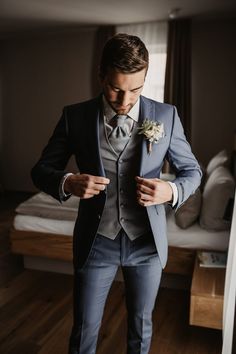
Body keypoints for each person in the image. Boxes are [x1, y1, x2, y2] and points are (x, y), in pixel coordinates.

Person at [31, 33, 202, 354]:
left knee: (141, 327)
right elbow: (40, 170)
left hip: (146, 245)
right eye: (115, 88)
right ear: (101, 76)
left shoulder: (166, 116)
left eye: (135, 90)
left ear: (145, 80)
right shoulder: (75, 117)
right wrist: (68, 182)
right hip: (97, 243)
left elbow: (193, 172)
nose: (124, 101)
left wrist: (171, 189)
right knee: (84, 330)